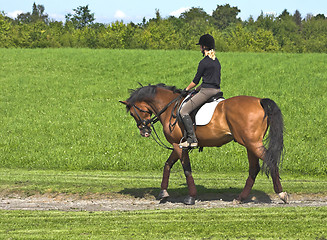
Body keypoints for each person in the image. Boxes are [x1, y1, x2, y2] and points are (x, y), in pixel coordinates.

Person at [179, 34, 222, 148]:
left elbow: (195, 81)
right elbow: (210, 81)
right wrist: (196, 90)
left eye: (200, 47)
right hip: (217, 90)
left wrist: (187, 89)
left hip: (207, 92)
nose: (200, 49)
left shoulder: (203, 62)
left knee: (183, 111)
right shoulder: (216, 61)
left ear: (203, 47)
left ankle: (192, 139)